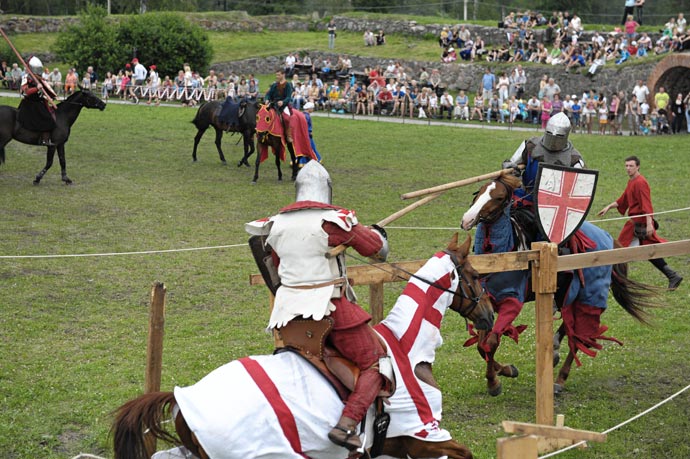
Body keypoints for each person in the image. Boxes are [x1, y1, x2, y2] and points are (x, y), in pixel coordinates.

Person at [245, 161, 390, 451]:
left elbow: (273, 270)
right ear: (327, 190)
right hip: (330, 309)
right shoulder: (333, 221)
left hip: (288, 315)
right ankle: (347, 424)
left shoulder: (273, 224)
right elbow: (377, 250)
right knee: (376, 362)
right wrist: (377, 234)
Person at [597, 156, 682, 290]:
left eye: (631, 166)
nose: (628, 169)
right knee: (648, 252)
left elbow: (646, 204)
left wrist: (649, 224)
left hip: (639, 224)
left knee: (619, 251)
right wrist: (608, 207)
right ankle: (672, 275)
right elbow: (623, 199)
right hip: (636, 224)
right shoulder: (632, 182)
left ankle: (618, 281)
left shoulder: (641, 182)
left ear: (638, 167)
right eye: (626, 166)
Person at [18, 56, 57, 146]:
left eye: (38, 68)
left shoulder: (39, 78)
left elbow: (47, 89)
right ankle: (44, 140)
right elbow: (26, 91)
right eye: (35, 68)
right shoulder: (26, 77)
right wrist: (36, 88)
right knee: (47, 119)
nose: (37, 70)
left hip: (39, 102)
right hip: (30, 104)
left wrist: (52, 96)